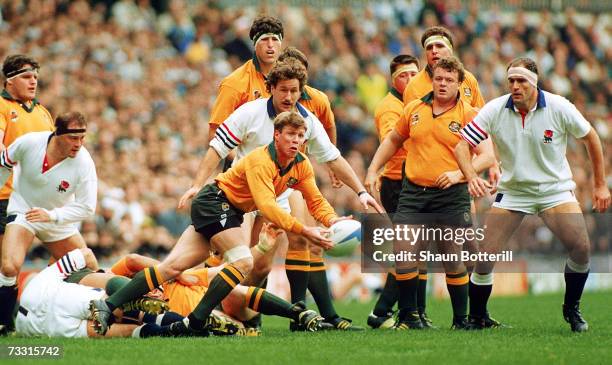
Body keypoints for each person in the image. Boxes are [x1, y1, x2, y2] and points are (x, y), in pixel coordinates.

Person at [90, 111, 350, 336]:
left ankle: (108, 306)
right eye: (290, 134)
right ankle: (196, 321)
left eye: (301, 135)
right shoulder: (261, 161)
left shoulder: (302, 165)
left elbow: (315, 199)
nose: (296, 140)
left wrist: (332, 220)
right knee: (243, 262)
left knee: (172, 267)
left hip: (228, 209)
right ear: (276, 135)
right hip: (214, 201)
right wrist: (305, 230)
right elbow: (267, 206)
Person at [181, 58, 381, 330]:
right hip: (240, 198)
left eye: (294, 91)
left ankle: (284, 316)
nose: (288, 96)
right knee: (241, 261)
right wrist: (197, 183)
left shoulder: (306, 124)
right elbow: (217, 147)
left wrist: (356, 196)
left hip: (276, 195)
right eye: (283, 90)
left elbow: (332, 160)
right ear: (271, 88)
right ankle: (207, 311)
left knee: (261, 266)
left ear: (301, 91)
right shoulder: (250, 113)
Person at [454, 57, 611, 332]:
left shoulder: (559, 106)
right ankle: (478, 317)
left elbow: (591, 139)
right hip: (514, 192)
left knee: (582, 248)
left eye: (521, 81)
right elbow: (461, 146)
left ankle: (571, 309)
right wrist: (470, 177)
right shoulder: (495, 109)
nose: (515, 86)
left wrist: (599, 185)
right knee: (485, 257)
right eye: (511, 81)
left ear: (534, 83)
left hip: (555, 190)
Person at [365, 56, 496, 330]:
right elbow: (393, 140)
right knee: (405, 253)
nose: (443, 84)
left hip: (452, 194)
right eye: (439, 79)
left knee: (452, 256)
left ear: (460, 83)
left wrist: (460, 174)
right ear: (432, 80)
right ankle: (410, 316)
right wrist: (372, 169)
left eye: (449, 80)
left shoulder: (469, 114)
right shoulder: (414, 108)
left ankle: (461, 319)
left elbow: (486, 156)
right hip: (413, 192)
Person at [110, 222, 323, 335]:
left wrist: (263, 246)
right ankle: (229, 327)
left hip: (226, 307)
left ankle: (297, 313)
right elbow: (127, 264)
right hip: (198, 319)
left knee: (231, 289)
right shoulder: (133, 302)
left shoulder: (175, 278)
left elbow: (227, 269)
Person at [0, 112, 97, 336]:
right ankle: (4, 323)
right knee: (9, 267)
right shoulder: (30, 142)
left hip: (57, 219)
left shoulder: (84, 162)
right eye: (74, 138)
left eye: (82, 138)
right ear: (58, 133)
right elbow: (5, 161)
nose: (79, 144)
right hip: (24, 210)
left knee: (88, 268)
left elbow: (87, 207)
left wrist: (52, 216)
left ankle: (97, 312)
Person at [0, 54, 54, 335]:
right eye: (26, 76)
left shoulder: (43, 113)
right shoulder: (1, 107)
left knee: (70, 256)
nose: (33, 80)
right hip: (6, 199)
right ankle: (6, 322)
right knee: (8, 264)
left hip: (41, 200)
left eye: (35, 75)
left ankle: (57, 310)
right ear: (9, 80)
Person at [15, 247, 179, 338]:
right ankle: (175, 321)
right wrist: (100, 272)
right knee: (116, 307)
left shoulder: (20, 327)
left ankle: (168, 330)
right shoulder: (44, 277)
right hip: (62, 297)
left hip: (48, 327)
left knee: (127, 331)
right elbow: (85, 253)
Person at [367, 54, 420, 329]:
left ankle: (396, 311)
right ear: (392, 79)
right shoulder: (390, 107)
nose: (409, 80)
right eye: (403, 75)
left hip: (414, 180)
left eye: (413, 74)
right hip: (397, 182)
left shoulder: (418, 102)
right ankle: (385, 310)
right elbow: (395, 140)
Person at [207, 15, 283, 141]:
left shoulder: (290, 81)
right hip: (243, 157)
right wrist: (244, 159)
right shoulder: (234, 83)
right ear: (254, 43)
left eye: (275, 39)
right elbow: (215, 134)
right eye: (264, 39)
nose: (270, 45)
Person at [402, 26, 484, 108]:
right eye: (429, 48)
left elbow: (481, 116)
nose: (434, 51)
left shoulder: (468, 79)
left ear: (451, 50)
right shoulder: (413, 86)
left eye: (439, 46)